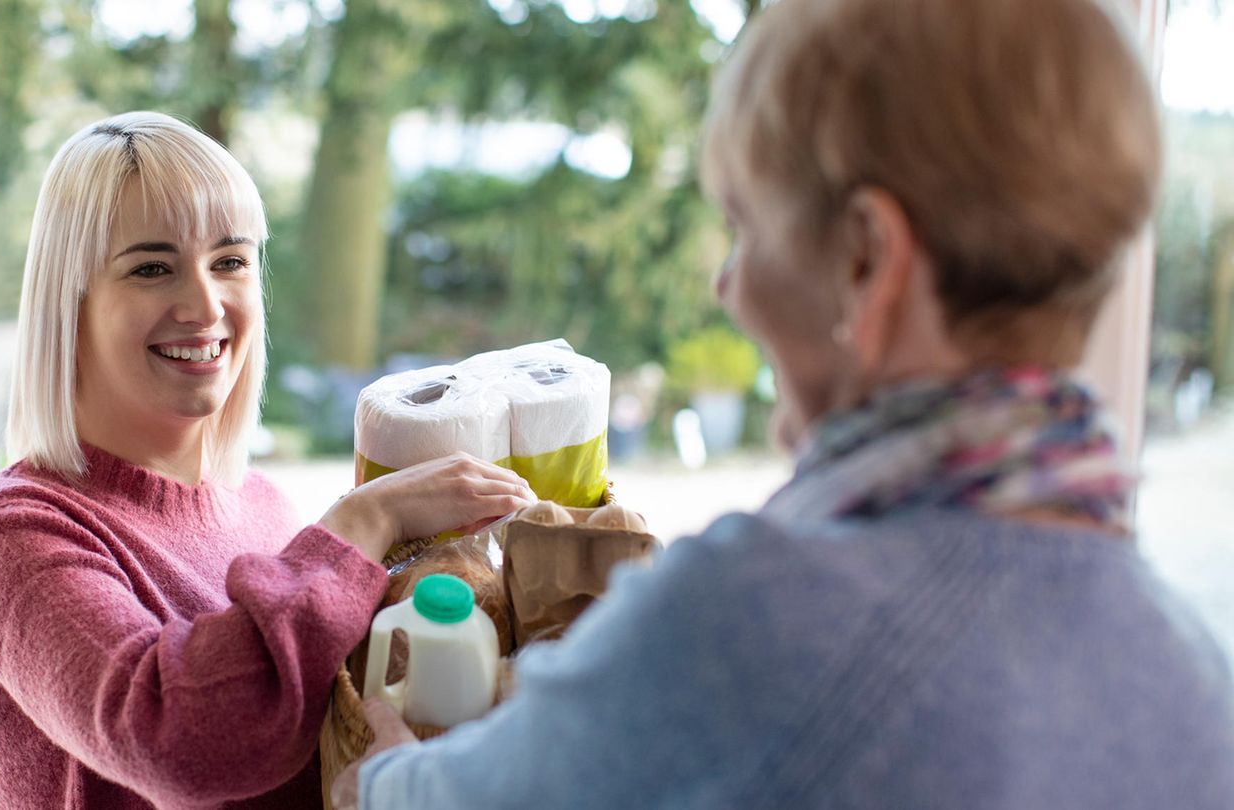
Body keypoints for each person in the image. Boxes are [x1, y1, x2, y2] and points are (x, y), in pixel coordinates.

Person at [334, 0, 1234, 807]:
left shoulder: (756, 617)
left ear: (865, 262)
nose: (730, 288)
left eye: (748, 230)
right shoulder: (1197, 678)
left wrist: (381, 767)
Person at [0, 111, 536, 809]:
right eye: (152, 268)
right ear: (70, 302)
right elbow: (182, 744)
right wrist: (367, 520)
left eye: (229, 261)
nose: (204, 305)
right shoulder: (12, 532)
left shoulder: (261, 508)